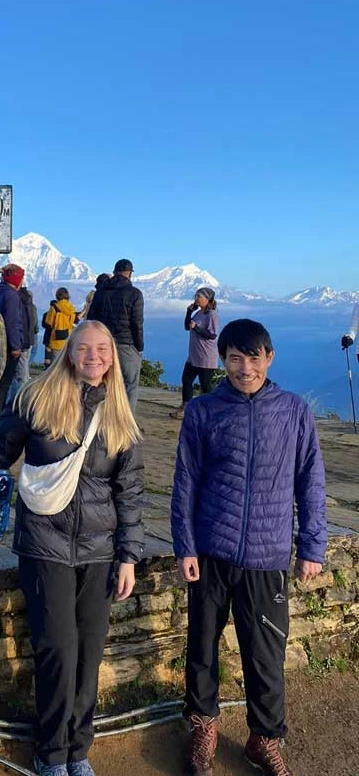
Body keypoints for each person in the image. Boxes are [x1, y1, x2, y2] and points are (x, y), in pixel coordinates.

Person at [0, 320, 144, 776]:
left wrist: (128, 556)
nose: (93, 356)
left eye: (102, 350)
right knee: (57, 648)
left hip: (98, 552)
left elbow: (129, 493)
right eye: (84, 348)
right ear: (69, 353)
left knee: (89, 651)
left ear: (111, 358)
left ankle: (79, 749)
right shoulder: (37, 400)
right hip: (44, 545)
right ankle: (52, 752)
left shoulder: (120, 416)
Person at [171, 318, 327, 776]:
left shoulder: (294, 412)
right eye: (235, 358)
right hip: (211, 553)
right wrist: (185, 546)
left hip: (268, 556)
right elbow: (185, 484)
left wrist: (312, 546)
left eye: (254, 357)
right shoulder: (203, 411)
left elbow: (311, 482)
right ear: (222, 360)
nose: (245, 368)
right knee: (201, 648)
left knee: (266, 657)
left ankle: (264, 739)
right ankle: (203, 729)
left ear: (269, 357)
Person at [87, 259, 144, 414]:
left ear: (114, 272)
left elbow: (90, 320)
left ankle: (96, 418)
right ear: (130, 274)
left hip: (102, 344)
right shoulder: (135, 294)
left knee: (100, 382)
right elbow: (137, 323)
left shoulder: (101, 292)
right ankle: (126, 422)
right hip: (126, 344)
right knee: (129, 385)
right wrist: (139, 347)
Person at [170, 287, 219, 420]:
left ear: (207, 299)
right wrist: (188, 312)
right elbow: (187, 327)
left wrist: (196, 328)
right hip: (193, 356)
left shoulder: (212, 314)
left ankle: (211, 413)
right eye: (196, 296)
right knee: (186, 380)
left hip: (206, 357)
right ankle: (185, 409)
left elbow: (212, 335)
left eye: (199, 296)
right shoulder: (198, 313)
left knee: (206, 386)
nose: (196, 298)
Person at [0, 264, 24, 429]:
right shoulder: (12, 297)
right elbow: (11, 322)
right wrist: (15, 346)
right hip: (8, 346)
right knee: (4, 383)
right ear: (17, 279)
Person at [6, 281, 39, 406]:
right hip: (27, 340)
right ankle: (19, 403)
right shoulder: (30, 305)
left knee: (17, 375)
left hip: (18, 342)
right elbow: (33, 323)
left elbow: (13, 323)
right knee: (22, 373)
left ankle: (14, 404)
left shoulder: (15, 302)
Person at [42, 287, 78, 368]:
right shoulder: (71, 308)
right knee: (65, 363)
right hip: (67, 337)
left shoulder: (54, 307)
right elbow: (72, 322)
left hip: (56, 338)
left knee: (55, 363)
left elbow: (48, 322)